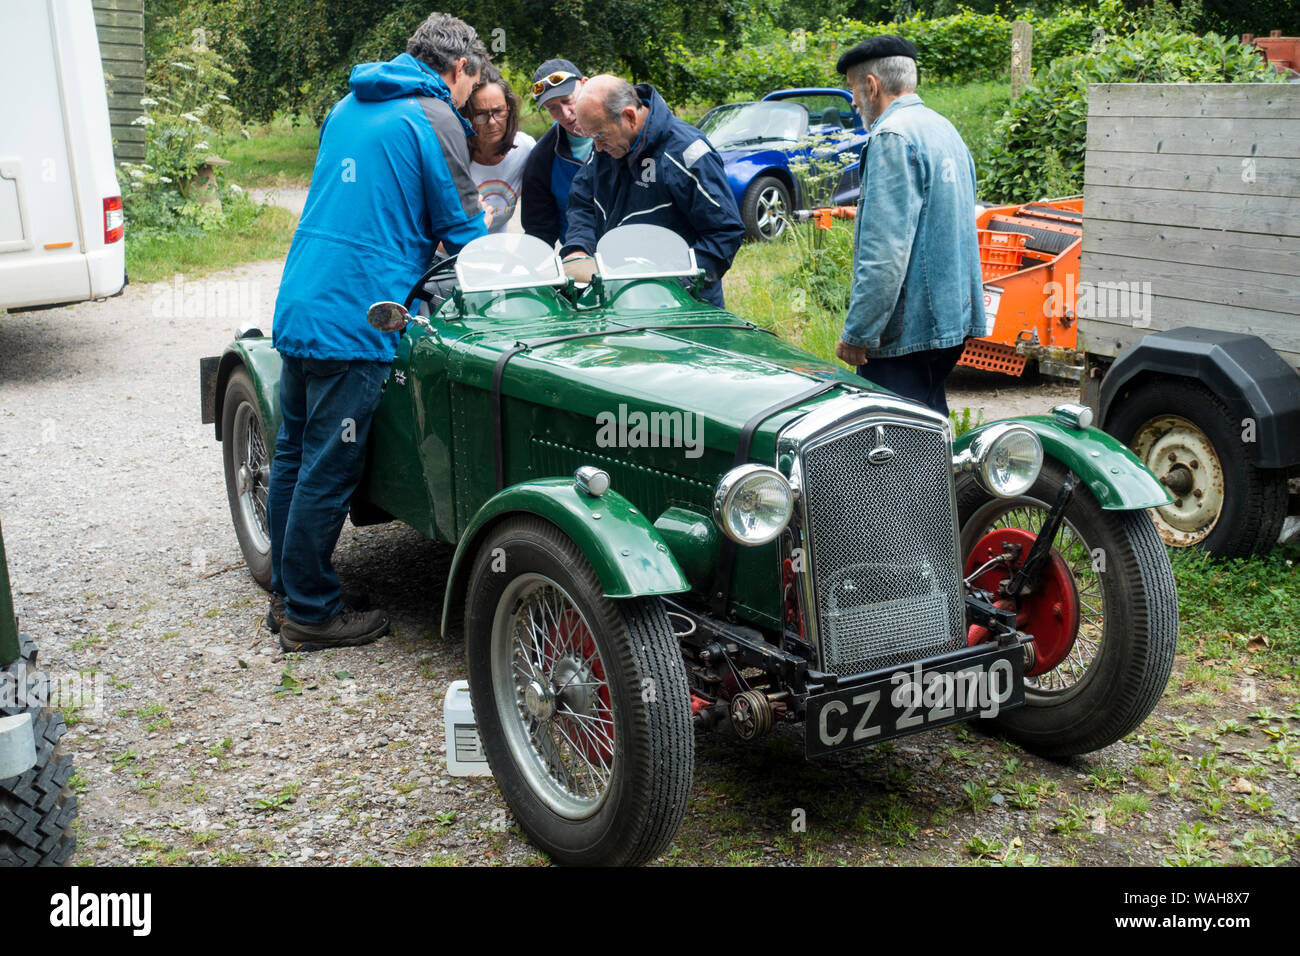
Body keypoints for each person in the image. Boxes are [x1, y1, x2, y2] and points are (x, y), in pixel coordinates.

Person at [266, 12, 489, 652]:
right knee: (329, 466)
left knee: (293, 452)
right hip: (359, 312)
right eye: (473, 87)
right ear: (461, 68)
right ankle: (311, 613)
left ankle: (289, 592)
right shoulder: (433, 112)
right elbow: (463, 230)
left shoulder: (347, 104)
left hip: (304, 298)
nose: (472, 101)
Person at [833, 35, 983, 416]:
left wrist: (859, 333)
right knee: (931, 427)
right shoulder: (944, 129)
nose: (852, 100)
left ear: (872, 85)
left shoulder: (891, 137)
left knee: (893, 449)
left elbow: (884, 252)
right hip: (950, 324)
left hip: (907, 332)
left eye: (852, 88)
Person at [562, 75, 744, 308]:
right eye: (590, 137)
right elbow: (583, 202)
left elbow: (725, 231)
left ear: (629, 116)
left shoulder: (687, 152)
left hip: (684, 304)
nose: (596, 147)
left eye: (599, 135)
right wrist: (578, 248)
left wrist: (676, 283)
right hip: (618, 299)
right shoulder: (605, 148)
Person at [520, 58, 592, 247]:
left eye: (567, 100)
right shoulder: (542, 159)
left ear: (585, 84)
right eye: (552, 108)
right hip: (581, 260)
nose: (565, 114)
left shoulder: (626, 134)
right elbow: (539, 231)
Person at [460, 66, 535, 233]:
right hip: (456, 252)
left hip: (497, 249)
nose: (492, 122)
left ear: (509, 109)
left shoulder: (525, 149)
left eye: (498, 111)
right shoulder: (454, 157)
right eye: (481, 114)